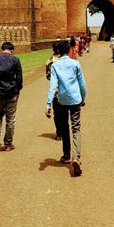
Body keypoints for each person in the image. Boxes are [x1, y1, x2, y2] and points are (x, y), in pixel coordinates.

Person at [45, 39, 86, 176]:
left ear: (57, 52)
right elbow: (82, 84)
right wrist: (83, 98)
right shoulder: (75, 63)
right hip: (75, 99)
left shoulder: (55, 66)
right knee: (76, 128)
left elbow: (53, 86)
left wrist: (48, 104)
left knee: (64, 127)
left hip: (61, 100)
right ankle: (76, 157)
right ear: (69, 50)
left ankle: (67, 155)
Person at [0, 41, 23, 152]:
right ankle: (8, 144)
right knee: (10, 119)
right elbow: (19, 78)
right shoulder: (15, 60)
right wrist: (18, 90)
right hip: (11, 92)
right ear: (11, 50)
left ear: (2, 49)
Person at [45, 40, 62, 140]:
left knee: (57, 113)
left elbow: (48, 77)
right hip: (67, 90)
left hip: (55, 91)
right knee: (65, 113)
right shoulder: (66, 60)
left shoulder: (49, 61)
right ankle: (65, 131)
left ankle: (59, 133)